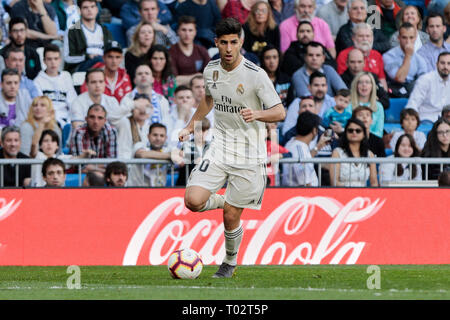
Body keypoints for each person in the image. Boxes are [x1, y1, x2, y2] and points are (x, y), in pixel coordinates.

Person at [178, 18, 285, 278]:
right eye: (223, 42)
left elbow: (279, 112)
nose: (228, 48)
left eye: (233, 42)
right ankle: (226, 201)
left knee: (230, 217)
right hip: (220, 146)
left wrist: (257, 115)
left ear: (241, 42)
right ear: (216, 43)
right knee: (192, 201)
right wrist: (192, 125)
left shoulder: (255, 75)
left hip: (250, 152)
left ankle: (229, 261)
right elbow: (209, 99)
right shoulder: (211, 70)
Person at [116, 63, 171, 158]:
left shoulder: (162, 100)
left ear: (153, 79)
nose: (143, 75)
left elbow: (166, 123)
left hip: (156, 145)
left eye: (147, 73)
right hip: (130, 148)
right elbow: (116, 118)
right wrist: (134, 104)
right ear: (134, 79)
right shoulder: (127, 99)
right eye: (140, 73)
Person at [33, 43, 78, 129]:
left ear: (60, 60)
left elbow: (73, 103)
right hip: (48, 121)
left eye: (56, 59)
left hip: (67, 120)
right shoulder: (38, 81)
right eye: (49, 59)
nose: (53, 62)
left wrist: (69, 122)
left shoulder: (66, 76)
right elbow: (40, 107)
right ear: (44, 61)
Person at [30, 128, 94, 186]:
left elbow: (77, 158)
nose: (49, 144)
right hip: (38, 192)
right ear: (40, 145)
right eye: (46, 141)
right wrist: (41, 124)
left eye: (53, 141)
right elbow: (33, 146)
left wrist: (86, 154)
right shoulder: (38, 155)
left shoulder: (60, 158)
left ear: (57, 146)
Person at [63, 0, 114, 73]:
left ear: (96, 10)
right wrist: (87, 56)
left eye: (92, 7)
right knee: (100, 60)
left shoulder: (105, 31)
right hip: (82, 66)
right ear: (79, 11)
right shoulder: (72, 31)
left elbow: (112, 51)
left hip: (104, 63)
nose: (89, 10)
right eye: (85, 7)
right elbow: (67, 58)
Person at [336, 23, 388, 91]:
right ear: (353, 38)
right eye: (361, 36)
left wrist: (384, 94)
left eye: (368, 36)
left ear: (372, 38)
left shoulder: (377, 55)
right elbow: (342, 81)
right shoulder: (344, 55)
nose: (365, 39)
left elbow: (381, 79)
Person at [329, 117, 378, 186]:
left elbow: (374, 182)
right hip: (343, 193)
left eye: (358, 131)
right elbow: (334, 182)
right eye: (350, 130)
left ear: (364, 134)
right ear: (346, 133)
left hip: (364, 195)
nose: (354, 133)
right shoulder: (337, 153)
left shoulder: (369, 154)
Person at [382, 22, 428, 97]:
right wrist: (408, 55)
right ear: (398, 38)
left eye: (411, 37)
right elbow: (400, 78)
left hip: (414, 94)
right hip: (394, 94)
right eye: (404, 37)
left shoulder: (419, 58)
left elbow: (424, 82)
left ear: (415, 38)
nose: (408, 41)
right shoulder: (388, 56)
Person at [70, 104, 118, 173]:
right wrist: (104, 170)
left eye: (100, 118)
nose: (96, 121)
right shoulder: (78, 132)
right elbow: (79, 165)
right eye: (92, 117)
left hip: (94, 172)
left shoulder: (111, 131)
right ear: (86, 119)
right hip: (84, 176)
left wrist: (91, 167)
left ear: (105, 121)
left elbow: (112, 163)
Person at [405, 52, 450, 124]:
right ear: (437, 64)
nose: (445, 67)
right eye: (442, 63)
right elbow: (413, 103)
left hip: (447, 120)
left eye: (448, 64)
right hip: (427, 119)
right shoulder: (425, 79)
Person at [282, 111, 321, 186]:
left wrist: (319, 146)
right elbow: (305, 182)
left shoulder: (292, 142)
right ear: (314, 130)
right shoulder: (299, 149)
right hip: (305, 196)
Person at [169, 16, 210, 86]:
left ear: (195, 32)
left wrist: (183, 79)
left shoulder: (202, 50)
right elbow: (174, 80)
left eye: (190, 30)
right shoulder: (171, 51)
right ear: (178, 31)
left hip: (200, 90)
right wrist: (198, 76)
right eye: (184, 30)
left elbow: (209, 76)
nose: (187, 34)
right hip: (180, 91)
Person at [345, 71, 384, 138]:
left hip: (372, 143)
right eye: (360, 82)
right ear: (356, 86)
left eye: (367, 82)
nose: (364, 85)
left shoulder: (378, 107)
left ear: (372, 86)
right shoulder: (348, 106)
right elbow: (346, 130)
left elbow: (379, 133)